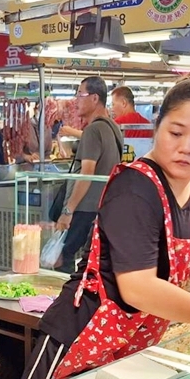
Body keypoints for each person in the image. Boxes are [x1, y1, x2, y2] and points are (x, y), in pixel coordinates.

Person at [20, 74, 190, 379]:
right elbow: (138, 287)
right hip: (82, 335)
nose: (187, 148)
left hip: (134, 339)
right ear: (157, 126)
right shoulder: (135, 188)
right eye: (175, 132)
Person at [55, 77, 124, 270]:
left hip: (84, 207)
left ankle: (65, 297)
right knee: (90, 259)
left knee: (63, 256)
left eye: (80, 95)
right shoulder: (113, 128)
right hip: (103, 206)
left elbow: (87, 174)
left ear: (95, 98)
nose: (76, 100)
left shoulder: (93, 131)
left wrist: (68, 211)